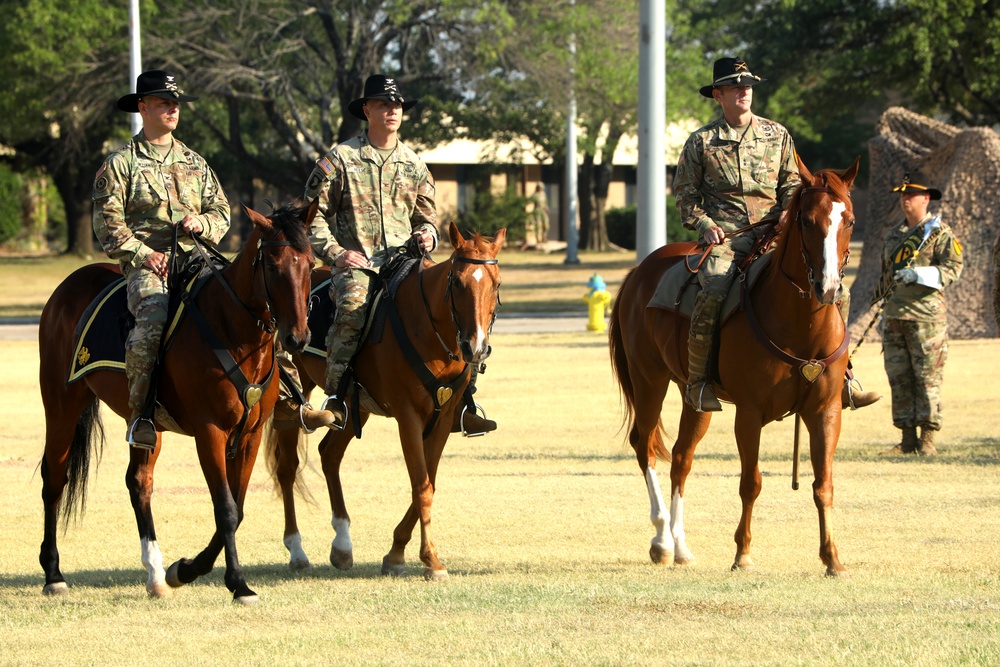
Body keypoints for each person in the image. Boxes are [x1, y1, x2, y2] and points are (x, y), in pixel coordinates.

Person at [673, 57, 880, 412]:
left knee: (836, 291)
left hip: (776, 234)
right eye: (735, 86)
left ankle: (842, 378)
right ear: (718, 95)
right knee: (714, 290)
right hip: (727, 238)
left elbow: (792, 183)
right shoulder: (702, 142)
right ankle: (699, 381)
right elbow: (685, 196)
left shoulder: (777, 134)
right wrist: (706, 226)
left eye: (748, 85)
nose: (744, 91)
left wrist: (788, 208)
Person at [303, 74, 496, 435]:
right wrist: (336, 253)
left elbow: (427, 218)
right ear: (367, 110)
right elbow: (309, 215)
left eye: (396, 106)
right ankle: (337, 397)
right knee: (351, 309)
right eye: (382, 104)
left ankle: (464, 402)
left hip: (406, 262)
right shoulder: (339, 159)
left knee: (454, 305)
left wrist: (426, 234)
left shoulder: (414, 164)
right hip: (358, 263)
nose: (391, 111)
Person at [93, 70, 231, 449]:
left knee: (252, 300)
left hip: (198, 258)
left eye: (175, 103)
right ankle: (140, 415)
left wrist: (202, 222)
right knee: (152, 319)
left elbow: (221, 210)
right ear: (143, 108)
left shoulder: (194, 160)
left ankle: (287, 396)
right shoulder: (120, 164)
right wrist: (144, 254)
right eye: (163, 102)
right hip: (147, 264)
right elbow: (108, 226)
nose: (173, 109)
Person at [879, 173, 963, 456]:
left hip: (926, 318)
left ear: (925, 198)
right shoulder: (894, 235)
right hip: (894, 316)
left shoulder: (940, 233)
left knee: (927, 379)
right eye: (902, 195)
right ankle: (906, 439)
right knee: (899, 378)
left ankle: (927, 439)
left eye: (910, 195)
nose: (905, 200)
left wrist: (921, 274)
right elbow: (885, 276)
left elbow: (954, 268)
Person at [526, 184, 549, 249]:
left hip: (543, 211)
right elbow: (529, 200)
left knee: (546, 225)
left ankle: (544, 238)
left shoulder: (543, 194)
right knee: (538, 226)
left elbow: (545, 203)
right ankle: (538, 239)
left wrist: (547, 209)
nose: (540, 188)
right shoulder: (535, 195)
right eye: (539, 187)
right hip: (537, 211)